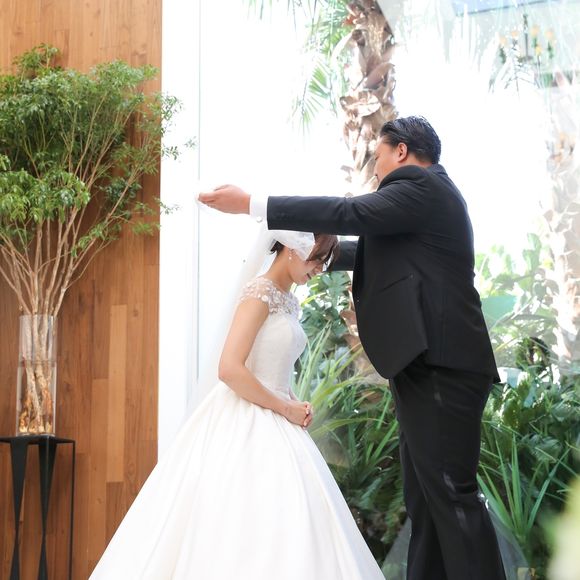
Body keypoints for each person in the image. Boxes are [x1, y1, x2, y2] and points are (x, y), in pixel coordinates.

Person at [199, 115, 507, 580]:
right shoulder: (422, 209)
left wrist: (252, 204)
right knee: (427, 503)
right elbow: (373, 251)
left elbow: (351, 213)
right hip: (427, 366)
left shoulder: (423, 188)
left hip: (442, 366)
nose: (375, 168)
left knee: (449, 494)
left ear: (401, 151)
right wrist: (319, 254)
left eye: (377, 156)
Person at [89, 228, 386, 580]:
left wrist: (294, 401)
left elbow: (273, 367)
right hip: (245, 420)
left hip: (278, 418)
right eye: (317, 259)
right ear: (292, 247)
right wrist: (284, 407)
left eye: (324, 262)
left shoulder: (289, 301)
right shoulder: (259, 293)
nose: (320, 269)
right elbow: (230, 368)